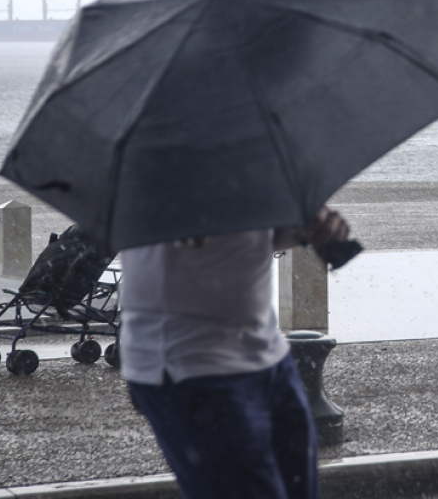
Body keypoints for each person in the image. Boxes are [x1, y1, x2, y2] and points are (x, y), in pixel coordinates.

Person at [121, 208, 351, 499]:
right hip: (190, 365)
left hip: (269, 355)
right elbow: (125, 221)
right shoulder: (152, 167)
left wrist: (303, 229)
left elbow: (259, 236)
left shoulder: (255, 164)